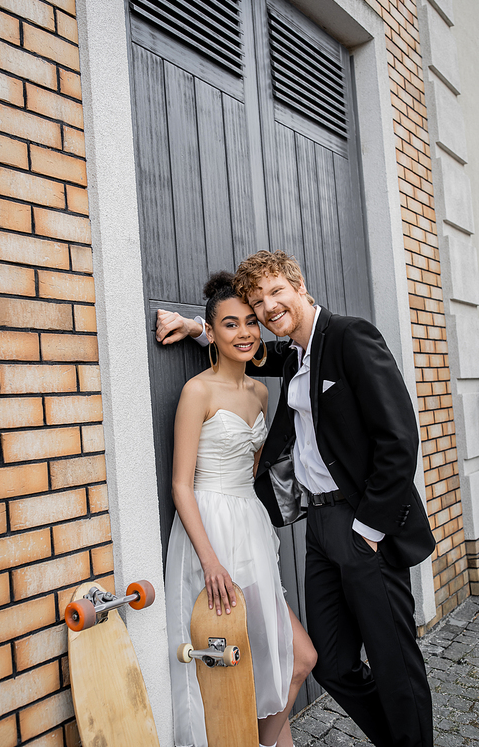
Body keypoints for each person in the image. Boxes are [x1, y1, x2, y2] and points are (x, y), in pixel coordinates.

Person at [157, 251, 436, 747]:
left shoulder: (351, 337)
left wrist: (369, 531)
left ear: (299, 285)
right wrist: (197, 327)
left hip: (362, 525)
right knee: (328, 660)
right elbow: (248, 349)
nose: (266, 308)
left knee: (393, 660)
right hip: (318, 531)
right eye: (257, 301)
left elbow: (399, 440)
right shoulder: (294, 355)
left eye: (274, 293)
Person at [164, 272, 317, 747]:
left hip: (249, 523)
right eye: (230, 325)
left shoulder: (261, 393)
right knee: (228, 661)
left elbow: (252, 469)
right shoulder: (198, 392)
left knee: (291, 658)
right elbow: (180, 485)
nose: (245, 332)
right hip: (210, 529)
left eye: (251, 322)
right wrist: (210, 561)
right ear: (210, 332)